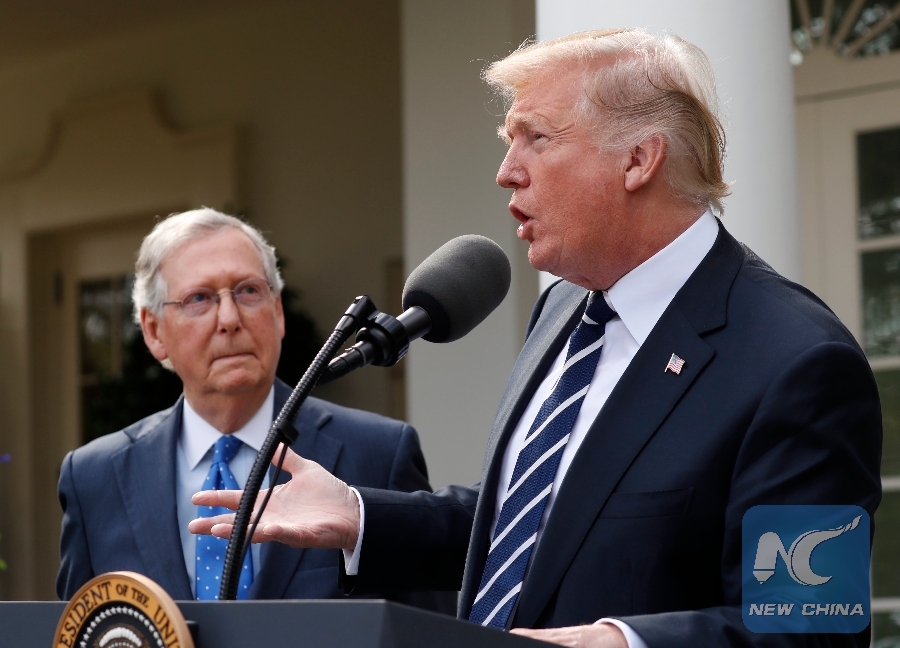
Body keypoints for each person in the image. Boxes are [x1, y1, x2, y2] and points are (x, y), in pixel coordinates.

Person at [190, 30, 882, 647]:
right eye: (508, 141)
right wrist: (362, 517)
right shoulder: (563, 308)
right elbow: (536, 526)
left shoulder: (796, 362)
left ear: (638, 159)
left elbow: (813, 629)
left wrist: (623, 642)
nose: (507, 170)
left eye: (537, 138)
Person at [57, 208, 454, 613]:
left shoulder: (379, 453)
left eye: (248, 291)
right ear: (154, 331)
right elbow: (76, 632)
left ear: (277, 312)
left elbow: (431, 632)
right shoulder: (94, 479)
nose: (230, 319)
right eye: (199, 298)